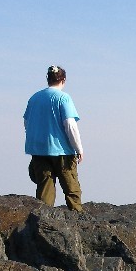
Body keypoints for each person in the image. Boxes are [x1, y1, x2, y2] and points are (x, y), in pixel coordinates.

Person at [23, 65, 84, 212]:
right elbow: (70, 125)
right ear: (63, 80)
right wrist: (78, 148)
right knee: (71, 188)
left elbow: (26, 122)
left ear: (47, 79)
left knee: (44, 189)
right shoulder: (63, 98)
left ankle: (42, 221)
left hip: (39, 150)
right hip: (62, 150)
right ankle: (77, 218)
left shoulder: (34, 98)